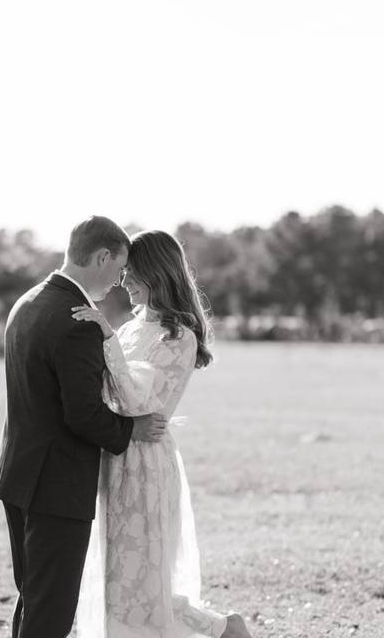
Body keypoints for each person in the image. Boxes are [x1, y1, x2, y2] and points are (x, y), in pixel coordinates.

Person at [0, 216, 170, 638]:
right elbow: (83, 414)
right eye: (119, 267)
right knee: (51, 611)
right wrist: (133, 429)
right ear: (102, 256)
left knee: (35, 599)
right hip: (56, 484)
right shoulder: (78, 322)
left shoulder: (28, 302)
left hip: (17, 474)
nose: (120, 280)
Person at [72, 230, 252, 638]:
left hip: (145, 465)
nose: (123, 282)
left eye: (131, 273)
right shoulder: (133, 328)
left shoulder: (178, 337)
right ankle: (224, 628)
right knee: (117, 580)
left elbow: (137, 400)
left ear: (155, 273)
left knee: (142, 584)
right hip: (114, 456)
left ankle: (224, 628)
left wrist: (104, 337)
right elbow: (106, 388)